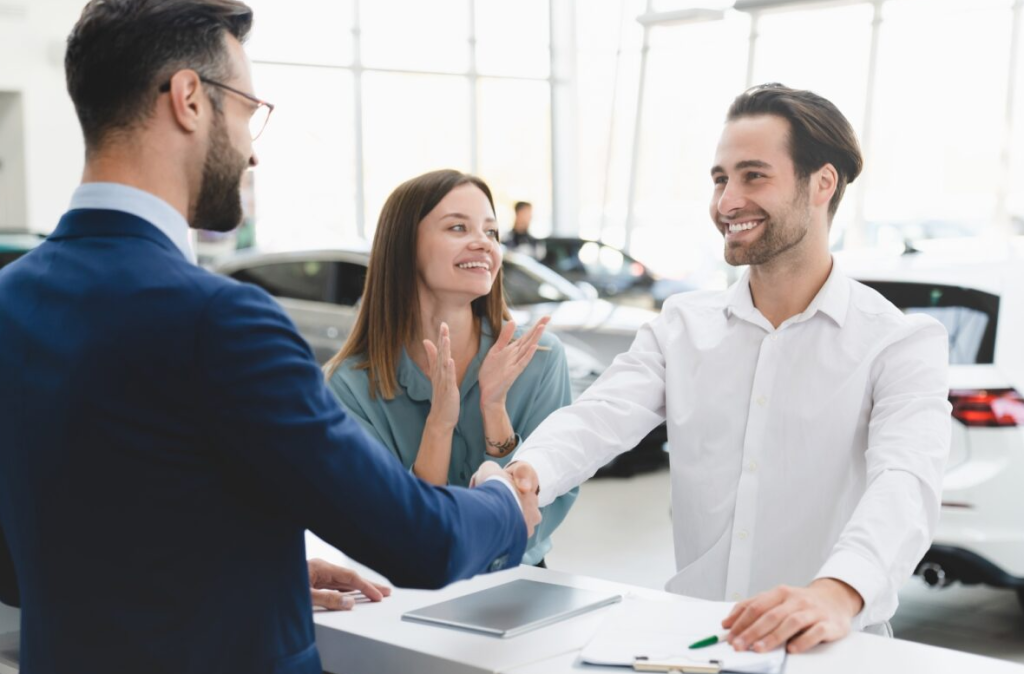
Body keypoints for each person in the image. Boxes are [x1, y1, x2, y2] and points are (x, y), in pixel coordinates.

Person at [0, 2, 539, 673]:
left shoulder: (11, 298)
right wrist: (504, 503)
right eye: (248, 110)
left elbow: (30, 557)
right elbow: (419, 542)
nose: (252, 148)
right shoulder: (220, 320)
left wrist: (258, 574)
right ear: (190, 100)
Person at [487, 84, 951, 654]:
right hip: (696, 646)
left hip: (830, 649)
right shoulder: (681, 327)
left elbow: (905, 484)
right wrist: (530, 471)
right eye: (719, 179)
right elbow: (599, 415)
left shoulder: (899, 343)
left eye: (753, 176)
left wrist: (838, 591)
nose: (727, 202)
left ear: (822, 184)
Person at [324, 169, 578, 567]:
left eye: (491, 232)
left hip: (519, 583)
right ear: (404, 247)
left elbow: (547, 507)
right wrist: (438, 426)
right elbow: (398, 528)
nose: (482, 243)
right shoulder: (351, 385)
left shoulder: (541, 357)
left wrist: (494, 411)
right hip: (408, 592)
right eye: (458, 227)